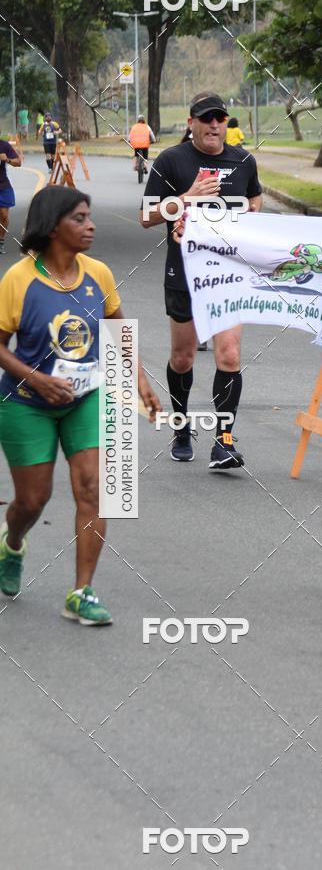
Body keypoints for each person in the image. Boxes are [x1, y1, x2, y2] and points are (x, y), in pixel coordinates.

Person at [0, 187, 161, 624]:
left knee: (93, 489)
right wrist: (35, 378)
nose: (91, 226)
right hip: (25, 403)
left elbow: (117, 331)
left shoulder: (98, 275)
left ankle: (81, 592)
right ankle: (12, 542)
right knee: (33, 500)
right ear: (54, 228)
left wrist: (141, 383)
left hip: (87, 398)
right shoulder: (19, 280)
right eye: (80, 218)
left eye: (90, 217)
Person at [141, 92, 262, 468]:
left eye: (220, 119)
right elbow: (146, 216)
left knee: (228, 354)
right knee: (183, 358)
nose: (213, 125)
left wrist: (251, 224)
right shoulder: (171, 161)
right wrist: (186, 197)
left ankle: (223, 441)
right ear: (190, 122)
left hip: (230, 273)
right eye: (206, 118)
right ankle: (181, 426)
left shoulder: (243, 160)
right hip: (185, 274)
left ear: (227, 123)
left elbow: (255, 201)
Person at [0, 138, 22, 255]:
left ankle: (1, 241)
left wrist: (7, 160)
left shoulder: (4, 145)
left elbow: (18, 162)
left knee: (3, 216)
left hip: (2, 185)